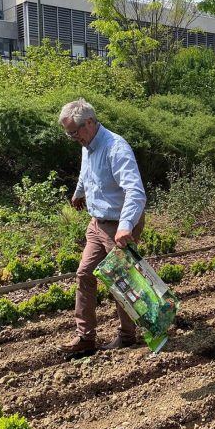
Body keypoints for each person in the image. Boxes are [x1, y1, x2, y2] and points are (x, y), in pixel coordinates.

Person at [57, 99, 146, 354]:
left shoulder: (116, 148)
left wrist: (126, 225)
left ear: (90, 123)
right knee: (85, 274)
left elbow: (135, 192)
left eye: (74, 132)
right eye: (69, 134)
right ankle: (85, 337)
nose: (73, 138)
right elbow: (87, 174)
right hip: (97, 223)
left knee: (121, 281)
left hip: (119, 224)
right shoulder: (87, 144)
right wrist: (78, 193)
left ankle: (128, 334)